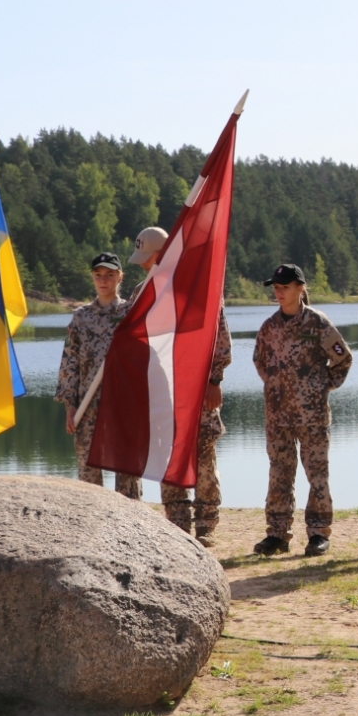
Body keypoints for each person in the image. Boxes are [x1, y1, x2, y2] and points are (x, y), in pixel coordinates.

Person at [128, 227, 232, 545]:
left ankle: (206, 525)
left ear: (165, 254)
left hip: (197, 392)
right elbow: (131, 342)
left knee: (202, 457)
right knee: (167, 455)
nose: (144, 265)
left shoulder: (200, 289)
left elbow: (220, 338)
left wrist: (215, 379)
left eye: (149, 259)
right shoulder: (140, 293)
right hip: (161, 393)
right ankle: (177, 524)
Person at [252, 263, 354, 557]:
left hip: (312, 415)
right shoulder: (270, 326)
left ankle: (319, 533)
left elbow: (342, 360)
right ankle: (277, 534)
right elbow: (260, 360)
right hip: (277, 414)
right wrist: (275, 385)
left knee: (316, 474)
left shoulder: (317, 323)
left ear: (300, 288)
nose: (279, 292)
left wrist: (320, 388)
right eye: (276, 287)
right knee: (279, 473)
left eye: (285, 287)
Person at [56, 252, 141, 499]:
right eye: (98, 275)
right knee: (88, 473)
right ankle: (91, 525)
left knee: (126, 471)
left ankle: (130, 527)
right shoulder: (81, 317)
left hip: (123, 404)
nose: (103, 280)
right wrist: (70, 405)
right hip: (88, 406)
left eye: (109, 275)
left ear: (120, 277)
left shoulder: (131, 314)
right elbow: (69, 362)